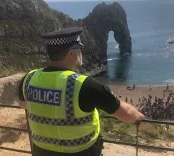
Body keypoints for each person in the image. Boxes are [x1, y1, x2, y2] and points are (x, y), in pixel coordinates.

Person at [17, 27, 144, 156]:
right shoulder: (85, 85)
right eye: (79, 49)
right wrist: (138, 117)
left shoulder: (29, 78)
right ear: (71, 53)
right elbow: (126, 114)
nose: (81, 53)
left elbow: (23, 104)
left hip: (40, 151)